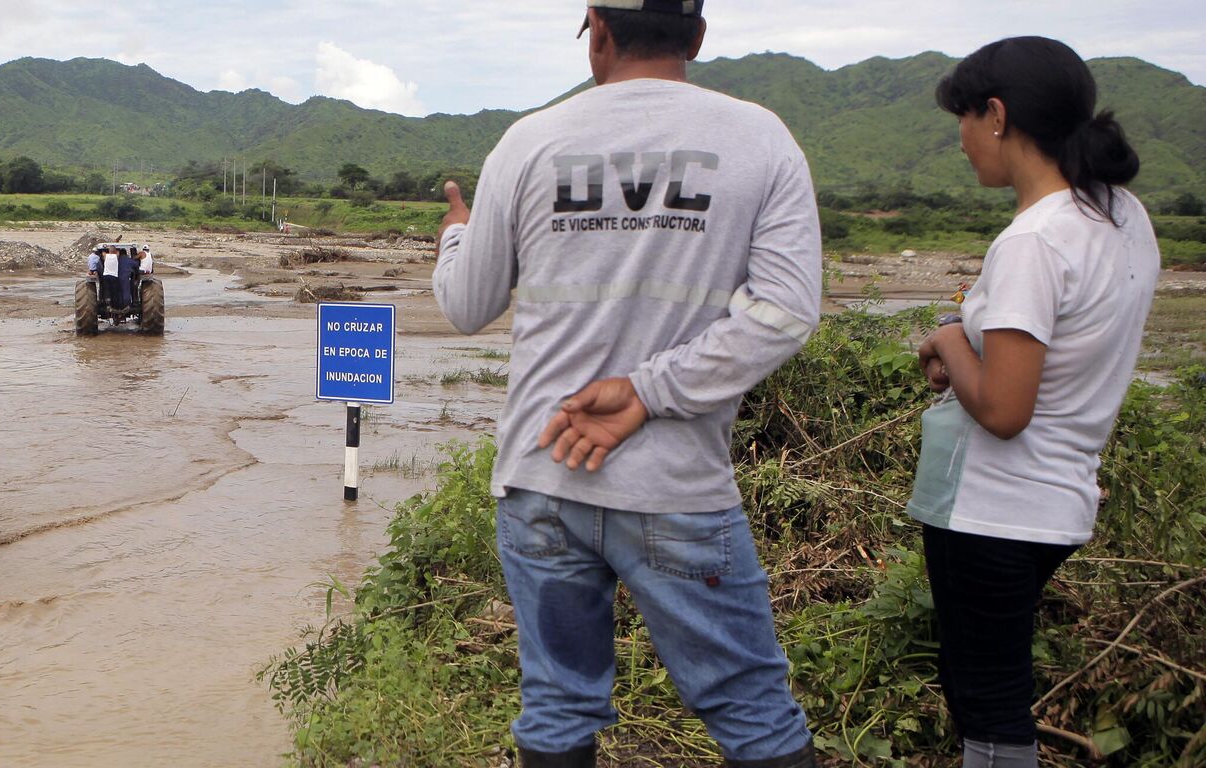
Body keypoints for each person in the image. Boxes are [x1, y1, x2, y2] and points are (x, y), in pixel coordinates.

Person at [432, 1, 823, 766]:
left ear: (597, 33)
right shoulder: (760, 139)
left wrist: (456, 232)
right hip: (675, 483)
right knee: (751, 709)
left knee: (556, 707)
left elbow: (466, 305)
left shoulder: (530, 141)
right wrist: (650, 390)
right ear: (698, 38)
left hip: (543, 477)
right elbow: (783, 314)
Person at [912, 37, 1155, 768]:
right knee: (994, 690)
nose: (960, 143)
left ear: (995, 114)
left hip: (995, 508)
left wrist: (951, 338)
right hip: (1058, 498)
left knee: (987, 704)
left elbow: (1006, 410)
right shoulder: (1122, 215)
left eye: (962, 119)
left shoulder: (1034, 242)